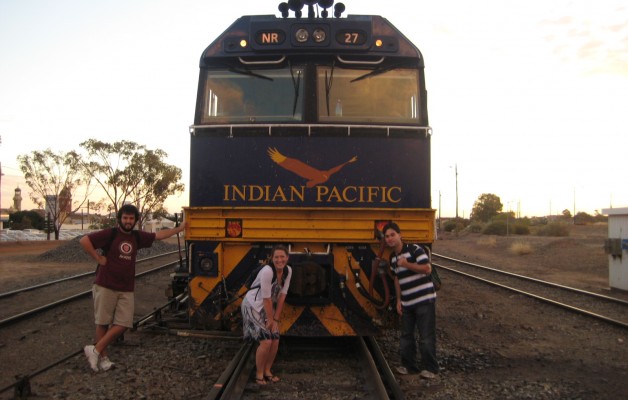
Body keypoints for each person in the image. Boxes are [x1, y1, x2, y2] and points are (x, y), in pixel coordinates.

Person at [79, 204, 186, 372]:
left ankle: (95, 350)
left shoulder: (137, 237)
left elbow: (158, 235)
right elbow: (84, 240)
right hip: (105, 284)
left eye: (131, 218)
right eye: (125, 218)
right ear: (119, 219)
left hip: (126, 287)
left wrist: (179, 228)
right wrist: (98, 258)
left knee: (124, 323)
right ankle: (103, 358)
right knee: (103, 322)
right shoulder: (111, 233)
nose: (128, 221)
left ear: (135, 220)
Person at [383, 221, 439, 379]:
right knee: (406, 335)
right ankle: (409, 366)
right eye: (387, 236)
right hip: (407, 302)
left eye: (392, 235)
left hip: (424, 300)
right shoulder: (393, 258)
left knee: (426, 336)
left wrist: (406, 264)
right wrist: (398, 300)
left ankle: (431, 368)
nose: (390, 239)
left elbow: (427, 269)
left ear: (400, 235)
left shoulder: (415, 249)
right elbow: (396, 279)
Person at [241, 244, 292, 385]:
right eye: (276, 257)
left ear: (287, 258)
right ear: (272, 258)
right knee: (266, 340)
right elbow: (266, 299)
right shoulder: (267, 271)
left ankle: (267, 371)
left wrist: (275, 319)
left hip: (265, 308)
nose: (279, 260)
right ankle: (259, 374)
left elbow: (282, 296)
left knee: (275, 337)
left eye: (282, 257)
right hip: (252, 306)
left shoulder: (288, 271)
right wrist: (270, 319)